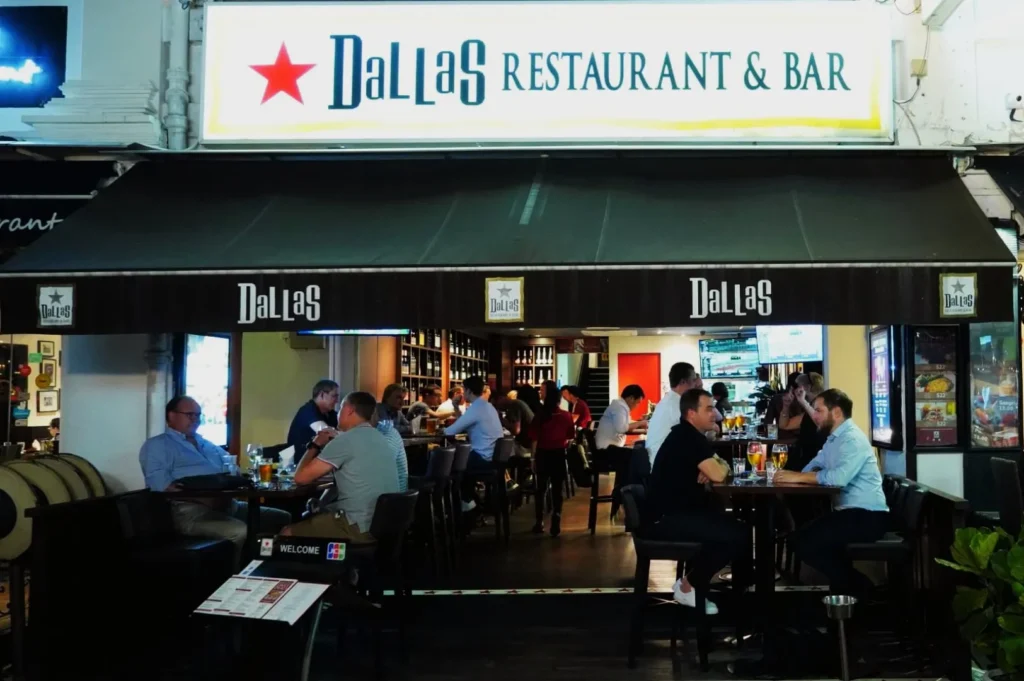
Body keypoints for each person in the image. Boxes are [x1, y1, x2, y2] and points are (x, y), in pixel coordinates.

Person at [140, 396, 291, 563]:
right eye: (190, 415)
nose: (195, 420)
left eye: (198, 415)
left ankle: (267, 566)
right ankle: (236, 580)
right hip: (189, 512)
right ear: (171, 415)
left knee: (281, 518)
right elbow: (161, 487)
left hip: (229, 505)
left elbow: (234, 470)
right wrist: (205, 499)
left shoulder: (207, 444)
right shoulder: (157, 446)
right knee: (240, 530)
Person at [774, 389, 889, 598]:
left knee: (804, 542)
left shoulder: (851, 438)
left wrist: (797, 477)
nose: (814, 415)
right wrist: (801, 475)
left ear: (836, 412)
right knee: (801, 538)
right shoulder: (833, 439)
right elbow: (812, 467)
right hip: (848, 513)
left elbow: (839, 478)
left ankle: (862, 590)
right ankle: (848, 596)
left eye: (818, 410)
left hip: (868, 516)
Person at [649, 389, 749, 614]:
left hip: (675, 513)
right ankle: (689, 586)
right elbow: (720, 473)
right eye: (708, 408)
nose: (714, 413)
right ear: (691, 413)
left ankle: (714, 588)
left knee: (731, 525)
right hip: (668, 519)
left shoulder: (687, 435)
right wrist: (716, 467)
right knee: (739, 533)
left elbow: (718, 467)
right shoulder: (689, 438)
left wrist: (715, 466)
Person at [286, 392, 400, 542]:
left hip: (358, 527)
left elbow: (300, 478)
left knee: (286, 533)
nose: (338, 413)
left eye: (340, 409)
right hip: (386, 526)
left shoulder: (345, 440)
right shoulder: (381, 438)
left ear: (349, 410)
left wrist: (315, 444)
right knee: (318, 516)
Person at [444, 376, 504, 510]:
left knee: (448, 467)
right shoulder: (487, 406)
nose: (463, 394)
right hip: (493, 458)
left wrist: (441, 429)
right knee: (459, 463)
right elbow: (464, 423)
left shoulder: (476, 408)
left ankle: (463, 508)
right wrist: (455, 407)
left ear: (469, 391)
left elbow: (449, 432)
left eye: (464, 390)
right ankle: (468, 503)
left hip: (482, 458)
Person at [529, 380, 577, 537]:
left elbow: (534, 439)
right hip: (558, 455)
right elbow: (570, 437)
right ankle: (556, 517)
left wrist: (532, 459)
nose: (540, 393)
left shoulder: (540, 416)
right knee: (557, 489)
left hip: (543, 454)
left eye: (542, 391)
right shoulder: (566, 416)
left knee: (540, 489)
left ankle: (539, 521)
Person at [595, 384, 648, 518]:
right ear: (630, 398)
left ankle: (621, 492)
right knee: (638, 456)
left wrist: (641, 425)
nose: (636, 406)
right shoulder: (619, 407)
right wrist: (641, 424)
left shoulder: (620, 406)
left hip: (610, 449)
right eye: (637, 402)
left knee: (636, 454)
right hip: (606, 451)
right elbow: (622, 428)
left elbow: (627, 424)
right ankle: (625, 494)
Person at [646, 363, 702, 468]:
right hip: (664, 466)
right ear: (683, 382)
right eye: (694, 380)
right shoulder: (675, 405)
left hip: (664, 459)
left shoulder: (670, 400)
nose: (696, 384)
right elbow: (694, 434)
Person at [286, 379, 340, 453]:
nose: (337, 400)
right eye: (334, 396)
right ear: (322, 395)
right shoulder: (308, 411)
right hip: (301, 462)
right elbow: (326, 433)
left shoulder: (330, 413)